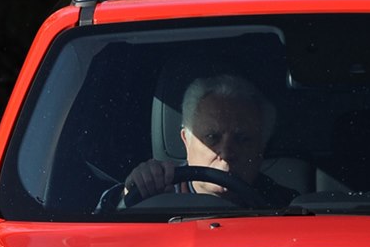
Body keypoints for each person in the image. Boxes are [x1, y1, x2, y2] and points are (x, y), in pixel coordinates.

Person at [121, 74, 290, 208]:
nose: (226, 152)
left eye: (242, 139)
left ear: (262, 147)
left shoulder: (287, 207)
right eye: (212, 137)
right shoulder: (155, 193)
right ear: (186, 140)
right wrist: (126, 197)